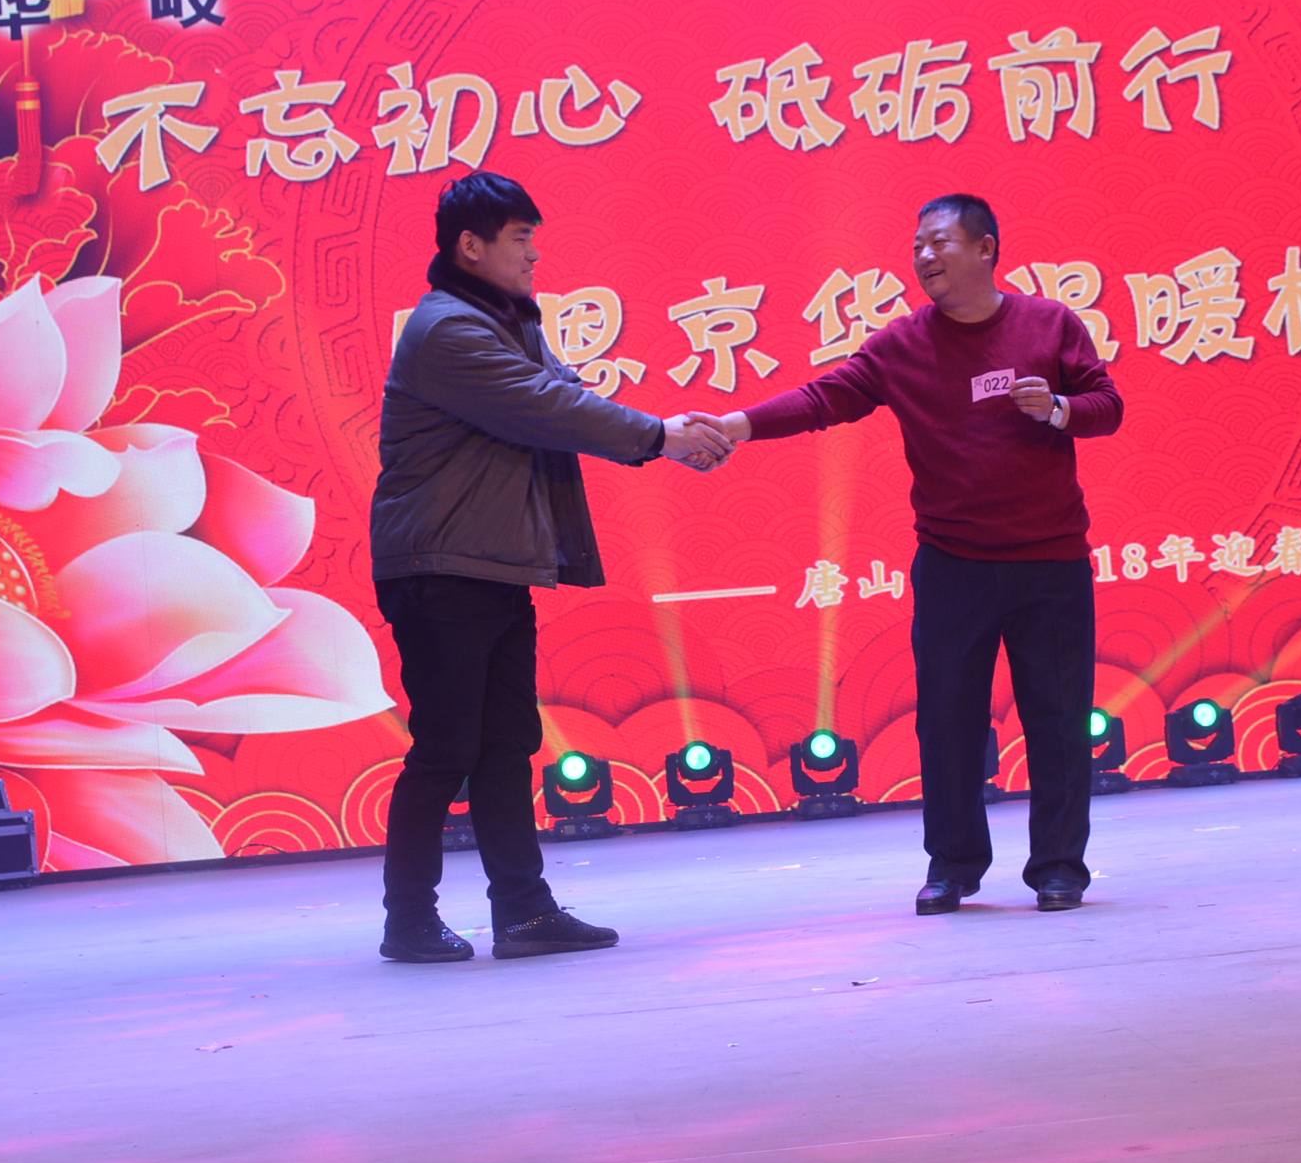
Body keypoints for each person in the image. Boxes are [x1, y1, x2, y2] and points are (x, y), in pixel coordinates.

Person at [701, 193, 1124, 913]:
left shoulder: (1049, 323)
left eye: (940, 242)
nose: (925, 257)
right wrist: (735, 424)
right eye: (918, 246)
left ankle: (1059, 868)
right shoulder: (902, 345)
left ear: (986, 248)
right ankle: (953, 866)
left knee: (1057, 720)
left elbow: (1106, 406)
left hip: (1050, 561)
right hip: (954, 563)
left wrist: (1057, 409)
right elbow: (824, 398)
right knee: (948, 721)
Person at [371, 171, 732, 962]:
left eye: (534, 238)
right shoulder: (448, 330)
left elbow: (562, 393)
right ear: (471, 247)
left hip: (491, 566)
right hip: (440, 568)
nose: (534, 255)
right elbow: (549, 408)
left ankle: (524, 913)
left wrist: (664, 433)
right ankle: (408, 919)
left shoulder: (504, 321)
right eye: (520, 239)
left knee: (507, 742)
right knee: (445, 748)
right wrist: (662, 437)